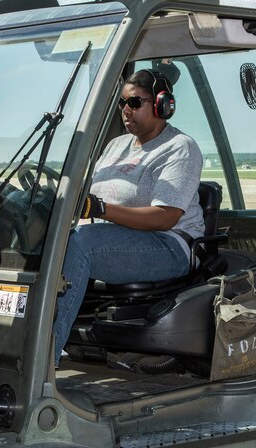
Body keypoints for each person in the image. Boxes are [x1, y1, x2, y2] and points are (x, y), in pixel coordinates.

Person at [52, 68, 204, 366]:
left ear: (162, 104)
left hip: (168, 245)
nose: (126, 110)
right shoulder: (115, 146)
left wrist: (100, 210)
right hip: (114, 239)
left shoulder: (179, 148)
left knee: (81, 243)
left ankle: (46, 355)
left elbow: (165, 217)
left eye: (135, 103)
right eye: (123, 103)